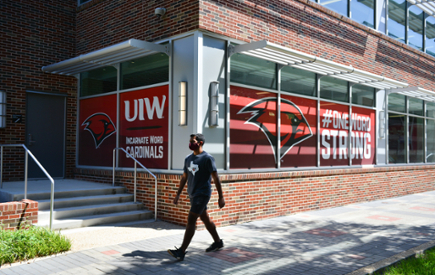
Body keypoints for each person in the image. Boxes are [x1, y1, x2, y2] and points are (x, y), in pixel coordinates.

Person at [168, 133, 225, 261]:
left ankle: (181, 251)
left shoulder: (207, 158)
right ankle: (218, 242)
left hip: (203, 194)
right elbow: (184, 177)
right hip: (192, 194)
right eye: (190, 141)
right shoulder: (188, 159)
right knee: (205, 218)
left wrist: (221, 197)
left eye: (192, 141)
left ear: (200, 143)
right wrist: (178, 194)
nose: (190, 143)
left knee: (191, 219)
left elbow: (216, 178)